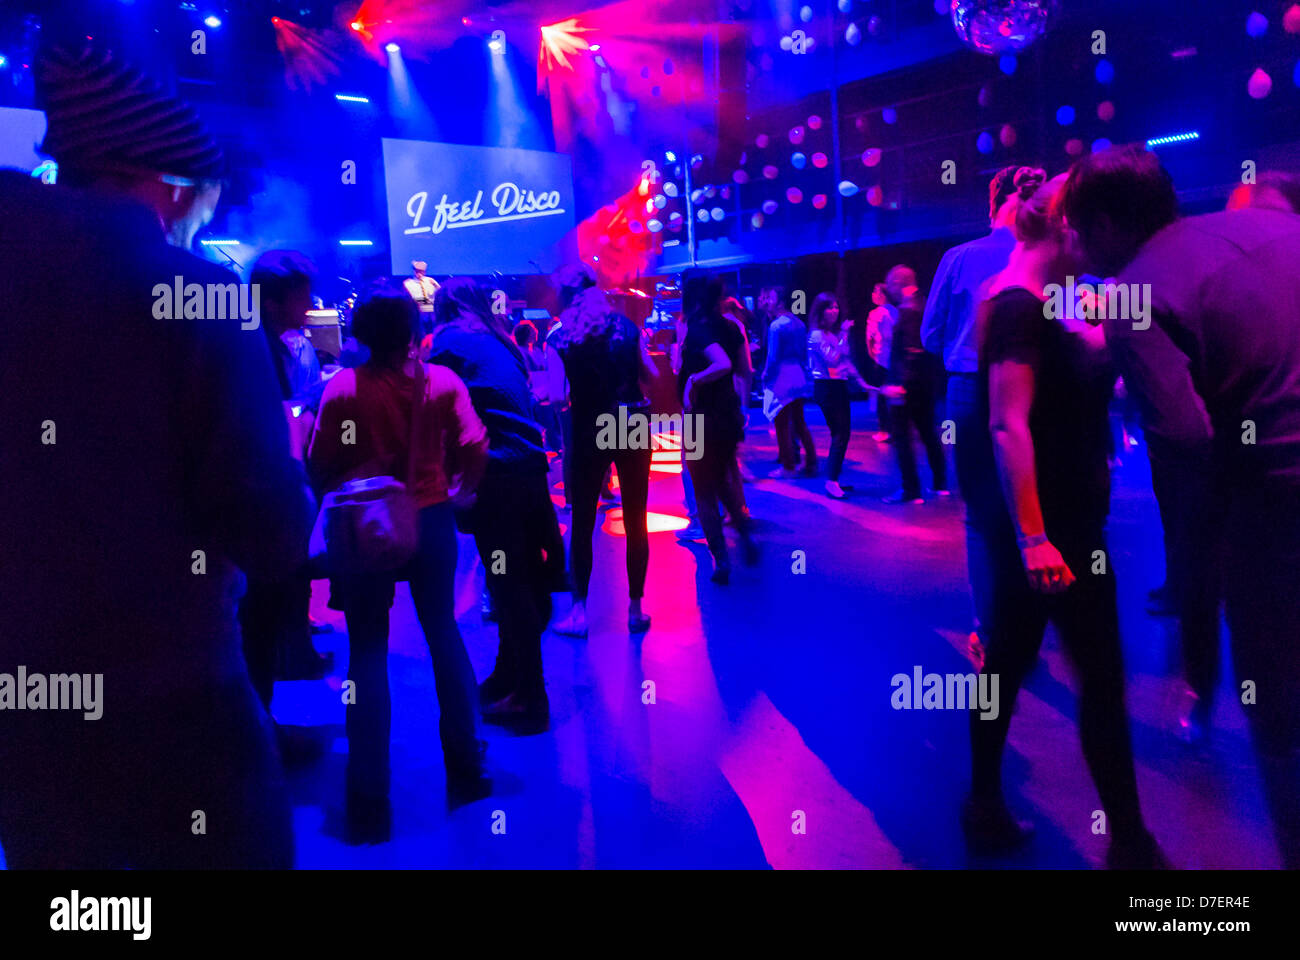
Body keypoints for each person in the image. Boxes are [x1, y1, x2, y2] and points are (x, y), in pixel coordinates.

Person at [0, 43, 313, 868]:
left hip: (27, 710)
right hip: (176, 704)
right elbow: (270, 535)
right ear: (173, 182)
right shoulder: (195, 295)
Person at [1064, 144, 1300, 867]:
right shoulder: (1269, 227)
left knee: (1285, 720)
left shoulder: (1133, 290)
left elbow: (1188, 444)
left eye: (1077, 230)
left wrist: (1205, 567)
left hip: (1278, 504)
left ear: (1104, 225)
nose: (1071, 246)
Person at [963, 171, 1163, 868]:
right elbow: (1006, 424)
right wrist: (1035, 538)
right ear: (1067, 229)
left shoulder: (1039, 300)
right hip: (1052, 532)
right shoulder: (1020, 305)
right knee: (1085, 677)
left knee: (1019, 671)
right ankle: (1129, 844)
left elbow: (1070, 372)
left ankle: (987, 806)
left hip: (1065, 525)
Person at [307, 283, 491, 840]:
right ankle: (467, 766)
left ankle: (368, 793)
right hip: (431, 517)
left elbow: (319, 466)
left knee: (365, 652)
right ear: (413, 331)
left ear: (359, 333)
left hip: (366, 528)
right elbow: (476, 446)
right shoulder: (442, 384)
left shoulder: (342, 389)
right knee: (444, 634)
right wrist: (461, 493)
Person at [429, 279, 563, 735]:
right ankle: (509, 677)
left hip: (497, 476)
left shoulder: (447, 342)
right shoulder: (499, 341)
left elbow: (428, 404)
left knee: (509, 585)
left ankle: (530, 698)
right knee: (515, 578)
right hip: (529, 472)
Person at [922, 166, 1024, 654]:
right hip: (1035, 388)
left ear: (992, 202)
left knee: (981, 518)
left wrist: (963, 349)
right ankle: (1034, 625)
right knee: (1035, 506)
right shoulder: (1050, 253)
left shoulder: (960, 258)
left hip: (969, 388)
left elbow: (930, 334)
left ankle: (991, 630)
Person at [240, 250, 332, 717]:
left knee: (259, 619)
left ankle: (262, 723)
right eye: (303, 297)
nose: (310, 306)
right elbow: (265, 421)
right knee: (256, 618)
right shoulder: (254, 346)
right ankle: (258, 733)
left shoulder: (260, 341)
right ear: (274, 300)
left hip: (259, 498)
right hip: (256, 501)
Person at [550, 264, 658, 637]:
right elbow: (651, 376)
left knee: (582, 520)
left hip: (590, 427)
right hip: (631, 422)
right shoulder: (626, 328)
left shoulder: (561, 338)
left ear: (565, 297)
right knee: (635, 518)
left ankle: (579, 613)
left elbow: (555, 395)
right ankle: (635, 608)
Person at [679, 275, 759, 583]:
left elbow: (722, 364)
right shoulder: (732, 327)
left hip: (700, 419)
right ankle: (746, 535)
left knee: (703, 491)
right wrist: (743, 408)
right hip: (727, 415)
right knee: (724, 481)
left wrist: (694, 380)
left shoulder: (696, 330)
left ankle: (721, 560)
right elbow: (744, 371)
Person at [882, 265, 949, 503]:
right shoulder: (925, 303)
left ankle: (911, 490)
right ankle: (940, 483)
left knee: (902, 436)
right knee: (928, 432)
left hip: (907, 384)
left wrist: (899, 383)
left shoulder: (908, 309)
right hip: (926, 381)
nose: (890, 291)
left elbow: (909, 349)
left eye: (890, 286)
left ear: (898, 283)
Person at [808, 293, 868, 498]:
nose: (835, 311)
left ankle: (834, 479)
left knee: (843, 433)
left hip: (838, 386)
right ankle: (831, 481)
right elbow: (833, 359)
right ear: (820, 311)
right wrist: (844, 333)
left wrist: (861, 381)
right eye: (829, 307)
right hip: (827, 387)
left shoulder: (831, 335)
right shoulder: (816, 336)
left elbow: (845, 361)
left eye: (836, 307)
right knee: (840, 434)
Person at [761, 287, 817, 477]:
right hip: (798, 373)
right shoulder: (800, 324)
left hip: (782, 375)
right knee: (800, 422)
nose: (769, 301)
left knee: (782, 422)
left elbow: (773, 356)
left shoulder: (776, 326)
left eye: (772, 298)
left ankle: (788, 466)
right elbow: (803, 353)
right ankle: (811, 463)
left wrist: (765, 374)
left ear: (781, 303)